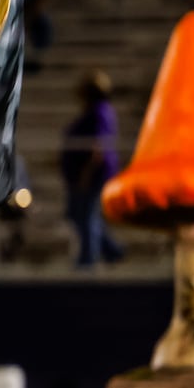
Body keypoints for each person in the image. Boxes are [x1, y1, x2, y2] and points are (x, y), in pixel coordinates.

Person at [60, 69, 125, 268]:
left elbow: (98, 145)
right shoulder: (93, 112)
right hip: (83, 173)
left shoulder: (101, 112)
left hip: (93, 175)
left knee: (87, 214)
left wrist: (86, 173)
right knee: (80, 213)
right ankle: (112, 250)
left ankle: (89, 260)